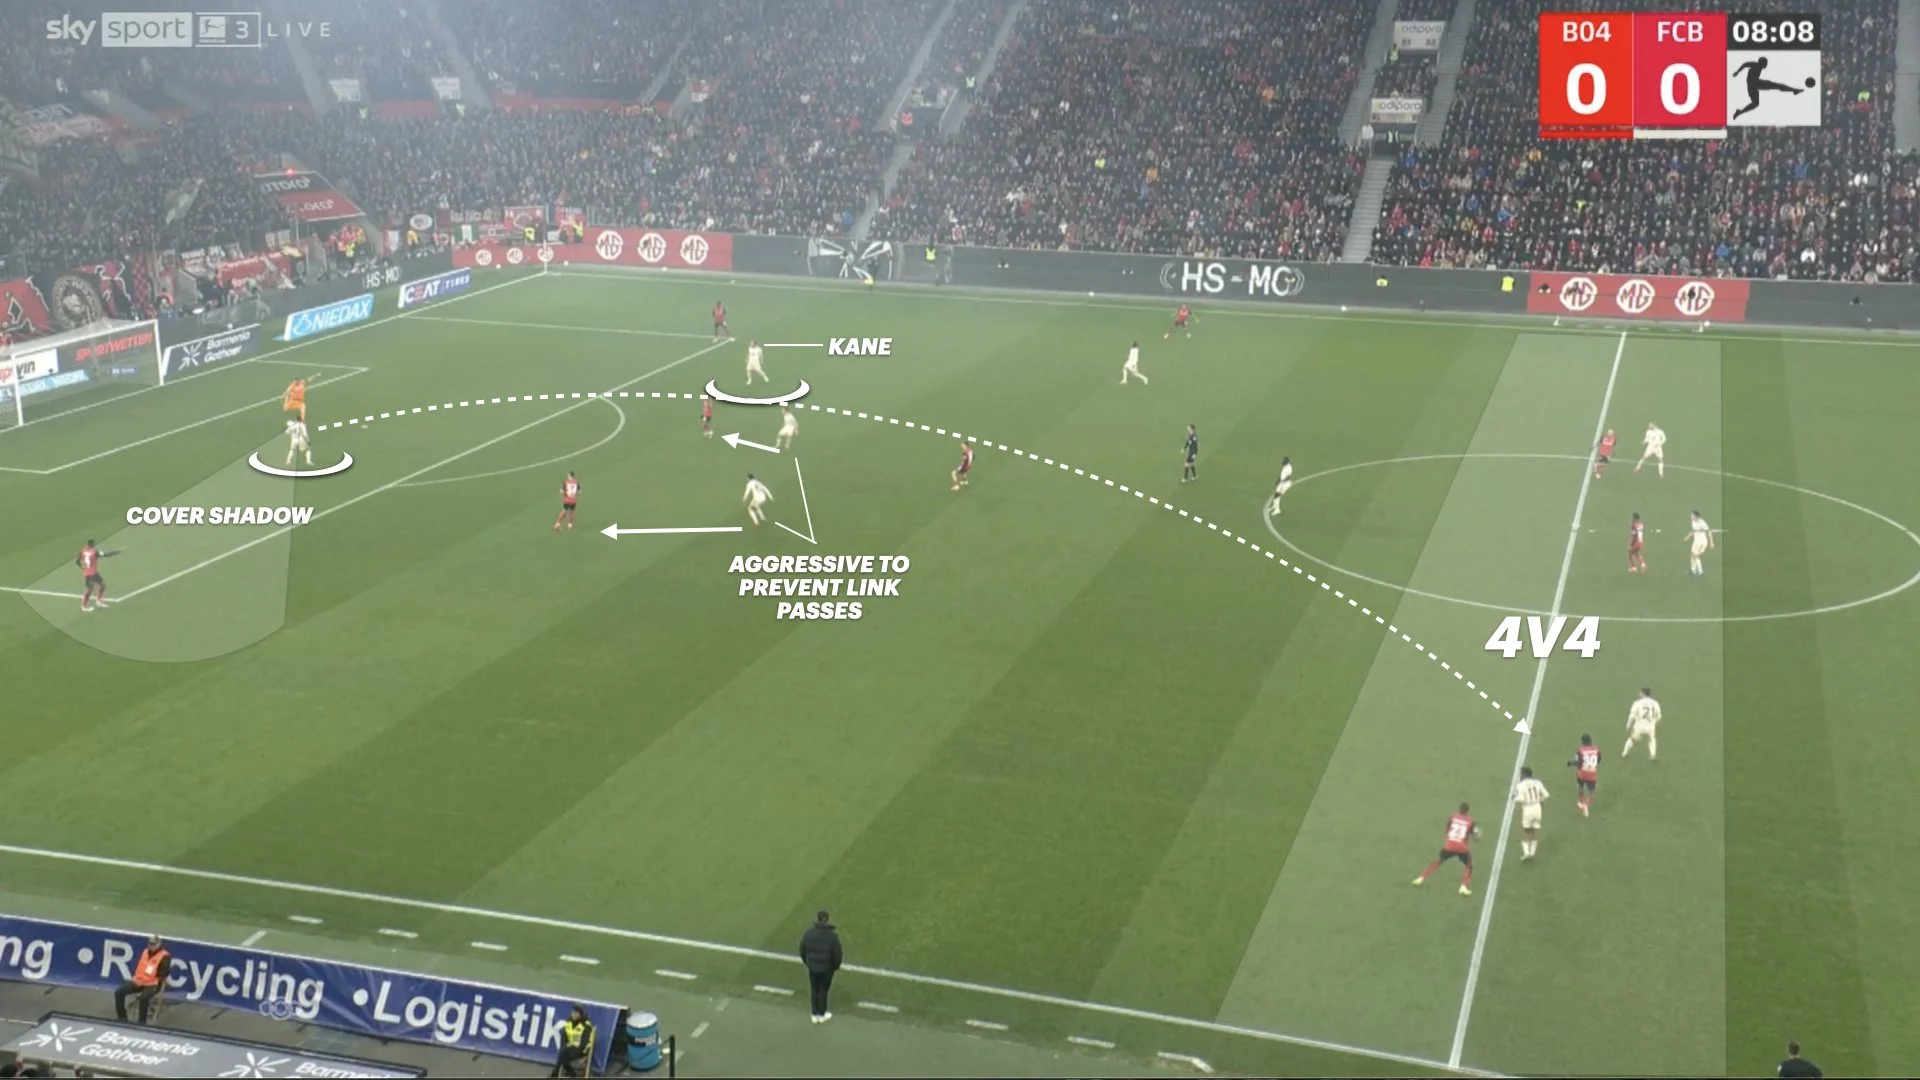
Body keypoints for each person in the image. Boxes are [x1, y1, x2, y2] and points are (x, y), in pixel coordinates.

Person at [1413, 803, 1478, 896]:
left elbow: (1446, 830)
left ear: (1459, 810)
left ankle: (1421, 878)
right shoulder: (1471, 821)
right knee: (1469, 866)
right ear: (1467, 811)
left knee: (1438, 861)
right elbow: (1475, 836)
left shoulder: (1453, 817)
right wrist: (1476, 835)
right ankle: (1463, 886)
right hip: (1462, 847)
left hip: (1450, 845)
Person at [114, 936, 170, 1024]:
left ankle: (141, 1022)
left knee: (143, 998)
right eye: (150, 944)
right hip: (139, 981)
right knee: (118, 992)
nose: (151, 946)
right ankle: (122, 1018)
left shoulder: (164, 956)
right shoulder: (145, 952)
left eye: (154, 944)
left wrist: (154, 974)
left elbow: (165, 972)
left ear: (159, 944)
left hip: (153, 984)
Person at [799, 911, 843, 1024]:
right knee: (823, 990)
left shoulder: (809, 933)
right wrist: (835, 967)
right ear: (827, 919)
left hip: (813, 967)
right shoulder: (832, 936)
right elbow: (837, 954)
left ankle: (814, 1014)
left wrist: (808, 962)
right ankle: (822, 1014)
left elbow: (802, 949)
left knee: (814, 989)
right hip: (826, 968)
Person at [1513, 766, 1549, 860]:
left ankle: (1526, 853)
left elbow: (1521, 798)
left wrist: (1514, 798)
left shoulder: (1520, 785)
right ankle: (1532, 853)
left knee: (1526, 831)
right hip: (1537, 807)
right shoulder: (1538, 783)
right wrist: (1541, 803)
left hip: (1528, 808)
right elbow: (1545, 795)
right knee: (1535, 830)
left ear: (1524, 774)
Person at [550, 1005, 595, 1078]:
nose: (573, 1014)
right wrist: (563, 1047)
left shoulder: (586, 1026)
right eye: (573, 1012)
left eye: (576, 1013)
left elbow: (584, 1043)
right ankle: (571, 1074)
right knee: (563, 1053)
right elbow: (563, 1038)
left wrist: (576, 1052)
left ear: (581, 1015)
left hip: (583, 1050)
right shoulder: (568, 1023)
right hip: (571, 1048)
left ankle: (556, 1074)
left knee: (563, 1055)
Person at [1623, 686, 1662, 760]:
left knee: (1632, 739)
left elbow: (1632, 715)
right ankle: (1653, 755)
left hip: (1639, 725)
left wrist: (1628, 725)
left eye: (1640, 692)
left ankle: (1624, 753)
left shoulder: (1637, 703)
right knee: (1651, 739)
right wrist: (1655, 722)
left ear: (1643, 693)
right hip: (1650, 726)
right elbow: (1659, 716)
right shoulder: (1655, 703)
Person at [1568, 734, 1601, 816]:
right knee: (1592, 791)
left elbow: (1579, 763)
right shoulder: (1596, 750)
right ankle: (1586, 804)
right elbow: (1599, 759)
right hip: (1592, 774)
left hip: (1582, 773)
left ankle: (1581, 800)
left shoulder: (1580, 750)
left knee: (1580, 786)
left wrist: (1571, 763)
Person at [1687, 510, 1714, 576]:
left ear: (1696, 516)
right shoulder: (1693, 521)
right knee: (1693, 555)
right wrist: (1689, 536)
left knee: (1696, 556)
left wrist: (1711, 542)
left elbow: (1709, 532)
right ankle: (1694, 570)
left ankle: (1699, 570)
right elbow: (1694, 530)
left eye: (1692, 515)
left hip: (1701, 542)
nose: (1691, 516)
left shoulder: (1702, 523)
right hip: (1696, 541)